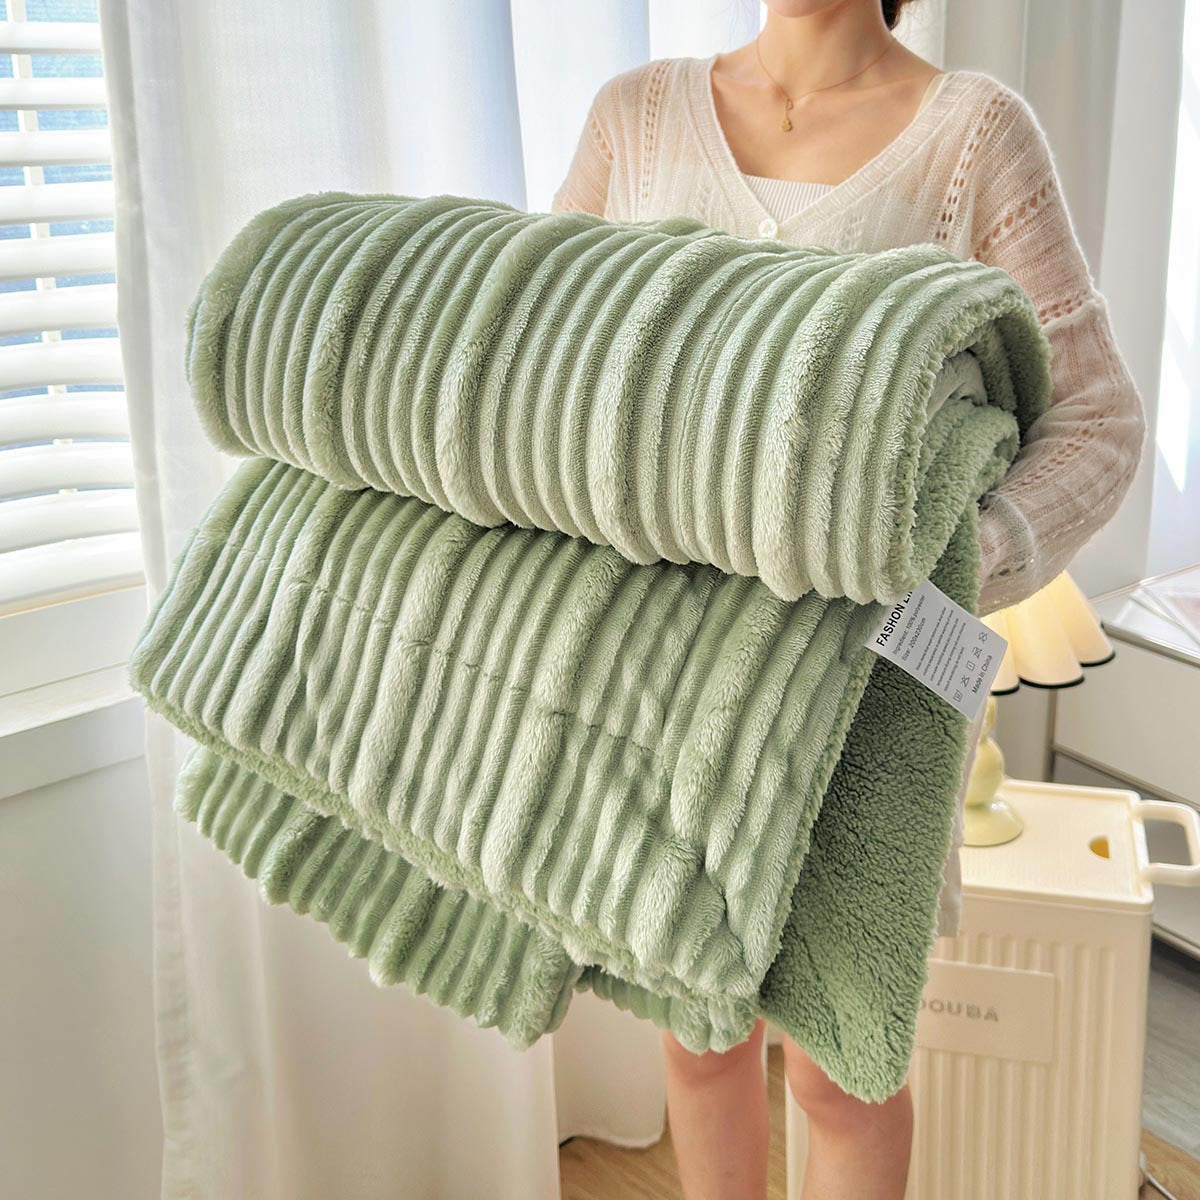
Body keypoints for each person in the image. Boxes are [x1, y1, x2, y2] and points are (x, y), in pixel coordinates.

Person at [550, 1, 1147, 1197]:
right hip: (665, 669)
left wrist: (951, 563)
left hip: (880, 689)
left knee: (844, 1073)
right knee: (698, 1033)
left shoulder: (975, 135)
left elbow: (1100, 418)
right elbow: (544, 359)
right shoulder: (636, 117)